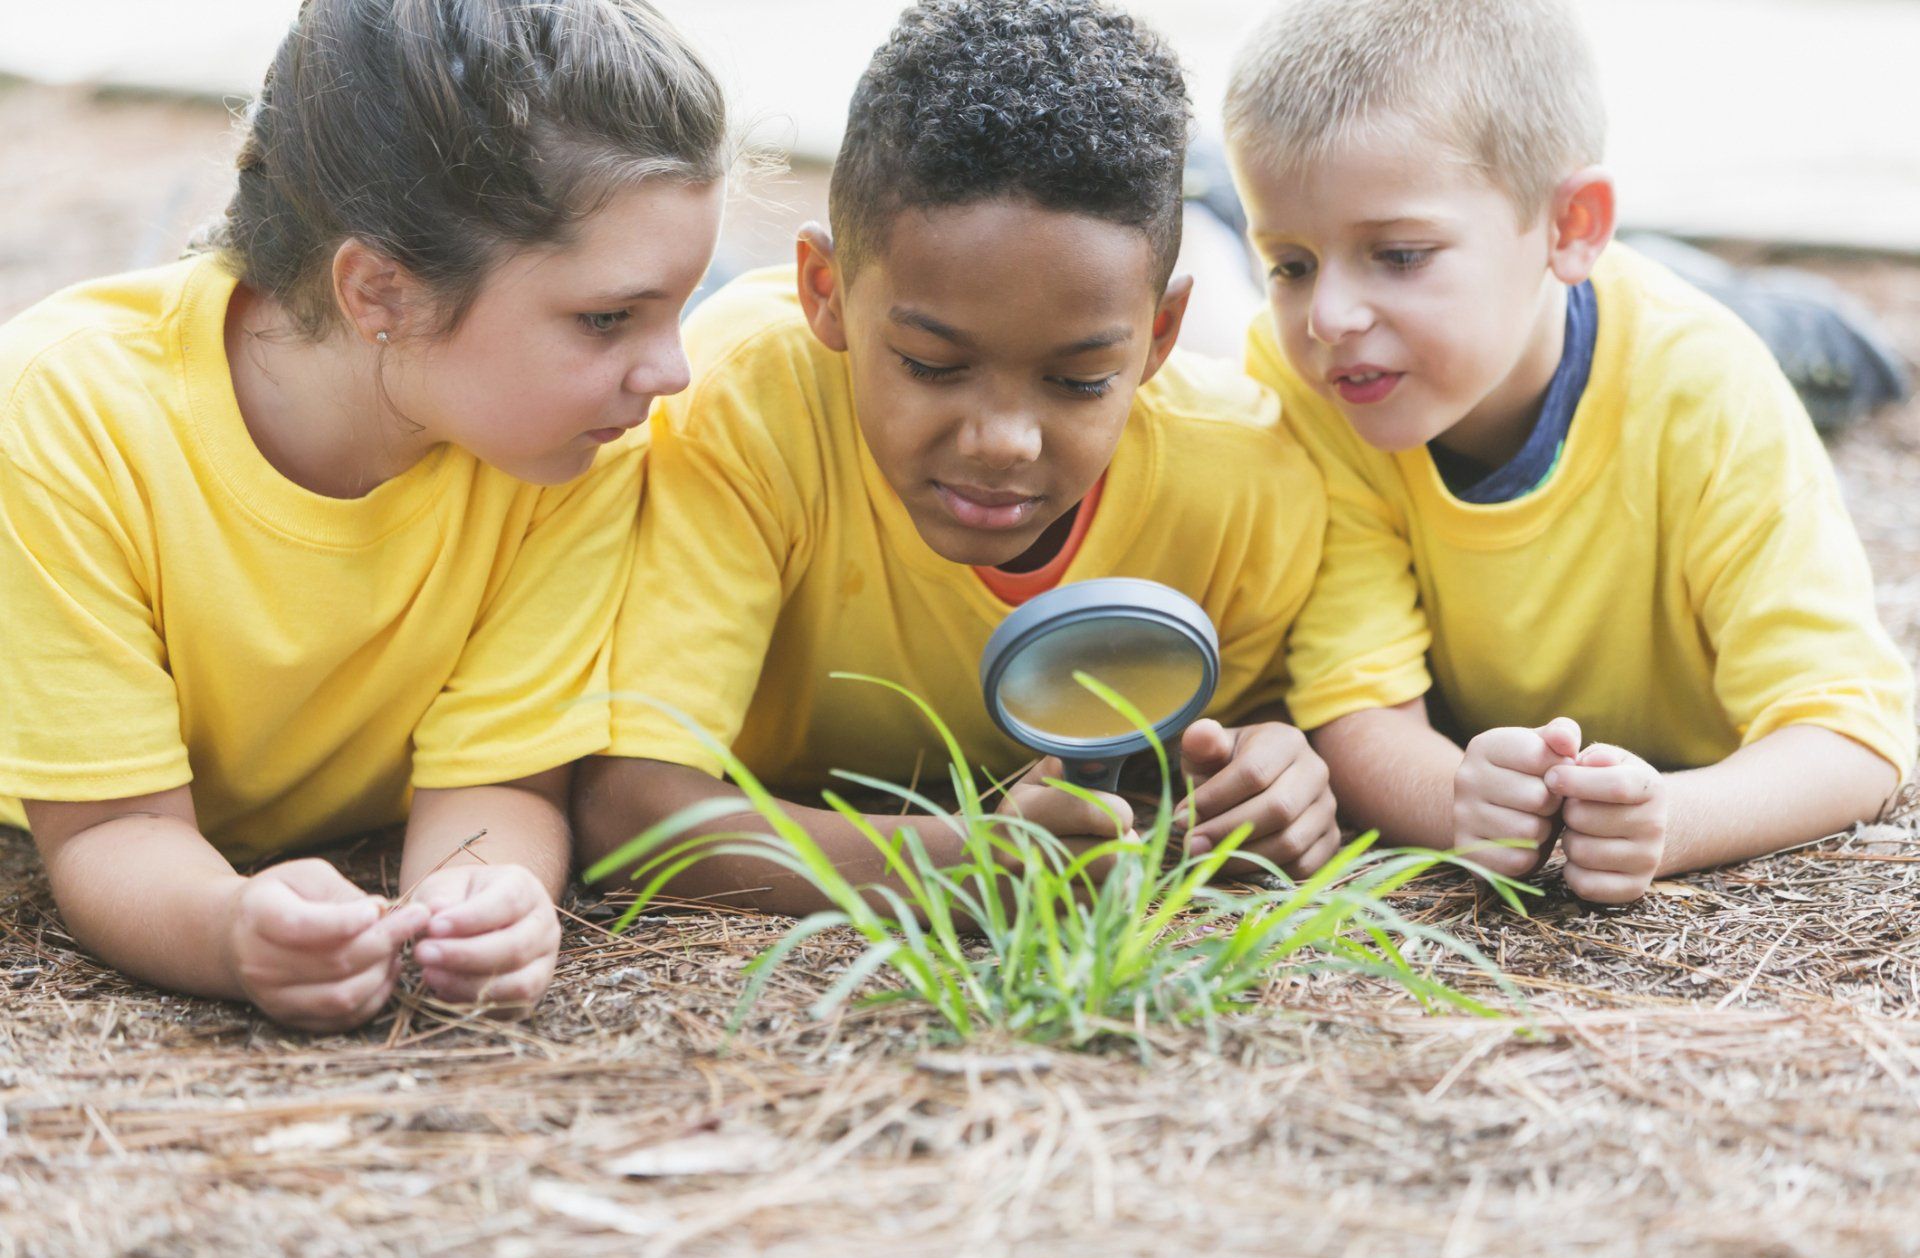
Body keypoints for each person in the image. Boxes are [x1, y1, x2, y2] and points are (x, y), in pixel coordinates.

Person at [0, 0, 728, 1028]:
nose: (670, 370)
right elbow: (110, 827)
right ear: (380, 291)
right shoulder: (68, 416)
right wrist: (227, 925)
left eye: (679, 305)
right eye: (607, 317)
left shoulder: (574, 450)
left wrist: (482, 900)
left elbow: (500, 777)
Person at [575, 0, 1335, 913]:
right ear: (827, 292)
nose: (1002, 440)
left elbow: (1251, 741)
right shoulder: (744, 402)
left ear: (1160, 335)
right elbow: (631, 814)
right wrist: (967, 859)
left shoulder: (1246, 480)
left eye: (1082, 379)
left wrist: (1271, 776)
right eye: (933, 364)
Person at [1222, 0, 1914, 903]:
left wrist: (1674, 815)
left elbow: (1853, 733)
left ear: (1571, 226)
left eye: (1397, 254)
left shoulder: (1705, 388)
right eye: (1289, 264)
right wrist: (1457, 803)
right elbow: (1355, 701)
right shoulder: (1306, 374)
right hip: (1543, 317)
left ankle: (1823, 331)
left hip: (1733, 339)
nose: (1327, 317)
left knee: (1813, 350)